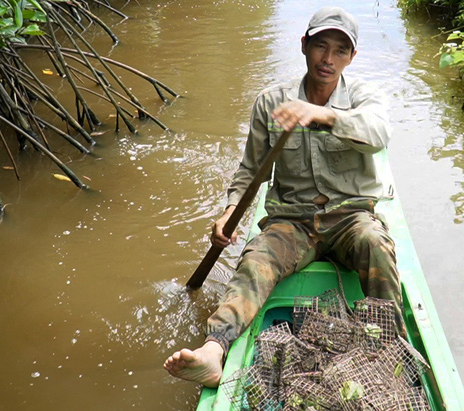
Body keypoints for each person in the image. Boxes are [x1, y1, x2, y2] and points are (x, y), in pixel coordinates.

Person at [164, 7, 401, 388]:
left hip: (351, 217)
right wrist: (228, 214)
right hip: (293, 221)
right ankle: (213, 351)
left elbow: (377, 134)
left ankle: (389, 351)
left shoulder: (363, 96)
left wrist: (322, 116)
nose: (328, 59)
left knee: (376, 244)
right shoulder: (271, 102)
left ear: (352, 58)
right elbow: (249, 171)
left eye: (340, 51)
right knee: (256, 260)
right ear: (303, 45)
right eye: (320, 46)